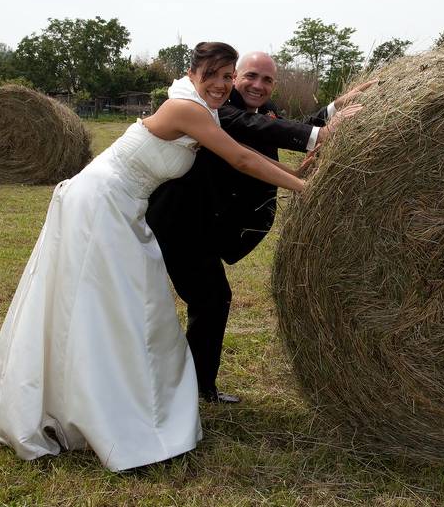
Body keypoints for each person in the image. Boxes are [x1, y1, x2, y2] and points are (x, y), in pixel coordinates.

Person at [0, 42, 305, 471]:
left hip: (124, 205)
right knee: (116, 304)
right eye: (215, 74)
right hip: (102, 200)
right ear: (194, 71)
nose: (222, 84)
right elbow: (240, 158)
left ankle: (97, 396)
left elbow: (251, 141)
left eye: (227, 75)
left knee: (118, 305)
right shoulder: (188, 110)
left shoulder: (203, 107)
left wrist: (303, 161)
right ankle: (102, 408)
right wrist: (305, 189)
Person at [146, 52, 374, 403]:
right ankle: (191, 388)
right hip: (180, 222)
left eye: (267, 80)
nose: (258, 85)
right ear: (234, 77)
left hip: (207, 226)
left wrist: (333, 109)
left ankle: (195, 387)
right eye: (250, 76)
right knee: (207, 299)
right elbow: (254, 131)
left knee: (210, 300)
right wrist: (318, 142)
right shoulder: (217, 107)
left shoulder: (261, 110)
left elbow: (279, 128)